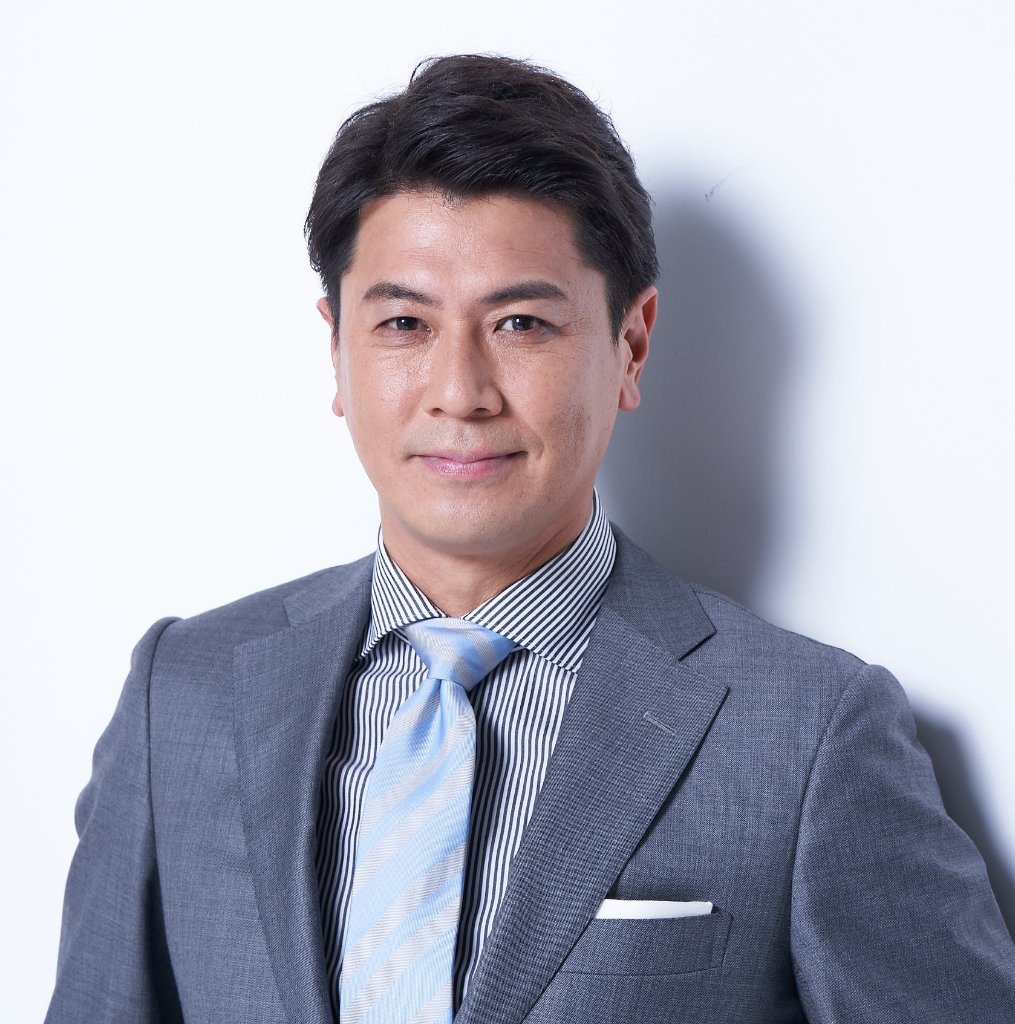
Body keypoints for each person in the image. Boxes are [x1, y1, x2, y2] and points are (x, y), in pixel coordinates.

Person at [47, 54, 1015, 1024]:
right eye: (403, 323)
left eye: (518, 322)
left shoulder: (810, 732)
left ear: (630, 343)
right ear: (335, 349)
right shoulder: (183, 696)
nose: (459, 392)